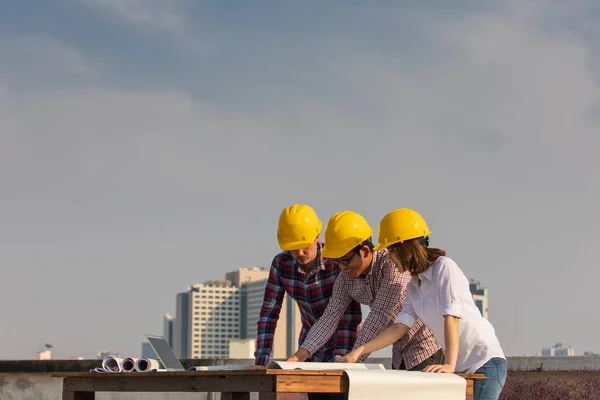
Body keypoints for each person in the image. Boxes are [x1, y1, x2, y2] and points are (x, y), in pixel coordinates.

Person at [339, 208, 506, 400]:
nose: (390, 258)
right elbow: (399, 327)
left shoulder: (444, 267)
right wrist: (360, 350)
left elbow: (451, 317)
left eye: (391, 252)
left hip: (485, 362)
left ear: (405, 248)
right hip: (461, 366)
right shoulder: (414, 284)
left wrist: (449, 364)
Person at [287, 211, 443, 372]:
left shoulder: (391, 264)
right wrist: (299, 355)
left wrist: (356, 357)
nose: (342, 267)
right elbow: (329, 317)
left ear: (366, 251)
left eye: (346, 260)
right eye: (337, 261)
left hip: (428, 349)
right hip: (400, 353)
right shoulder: (345, 278)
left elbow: (381, 315)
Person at [253, 204, 362, 400]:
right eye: (293, 248)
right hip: (310, 350)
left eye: (304, 245)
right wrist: (262, 360)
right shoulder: (281, 264)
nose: (300, 252)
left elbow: (349, 314)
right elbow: (269, 314)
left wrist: (341, 359)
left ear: (316, 237)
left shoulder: (336, 260)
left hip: (345, 346)